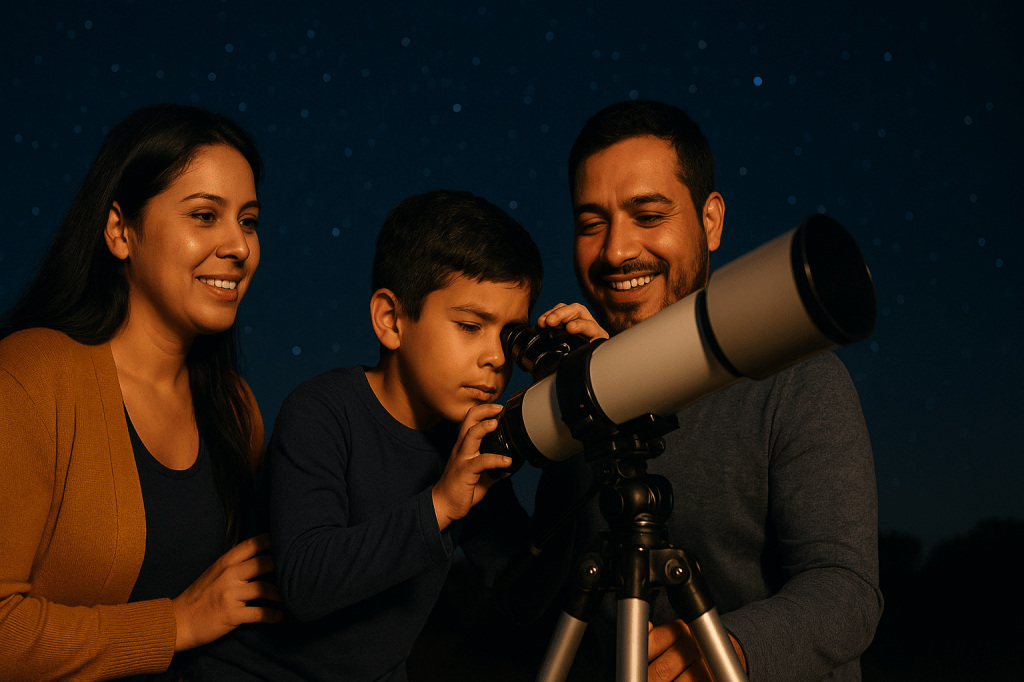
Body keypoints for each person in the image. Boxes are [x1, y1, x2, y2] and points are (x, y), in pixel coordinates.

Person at [528, 100, 882, 681]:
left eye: (648, 215)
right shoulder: (585, 398)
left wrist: (729, 650)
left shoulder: (797, 377)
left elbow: (846, 592)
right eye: (592, 223)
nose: (616, 251)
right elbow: (540, 598)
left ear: (710, 220)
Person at [192, 189, 542, 682]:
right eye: (469, 326)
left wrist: (575, 436)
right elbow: (306, 583)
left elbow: (525, 596)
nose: (496, 359)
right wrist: (440, 504)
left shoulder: (469, 446)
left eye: (509, 336)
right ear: (391, 320)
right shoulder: (321, 412)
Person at [0, 104, 282, 681]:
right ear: (120, 231)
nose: (239, 246)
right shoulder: (31, 377)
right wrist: (176, 623)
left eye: (248, 220)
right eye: (205, 216)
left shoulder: (235, 407)